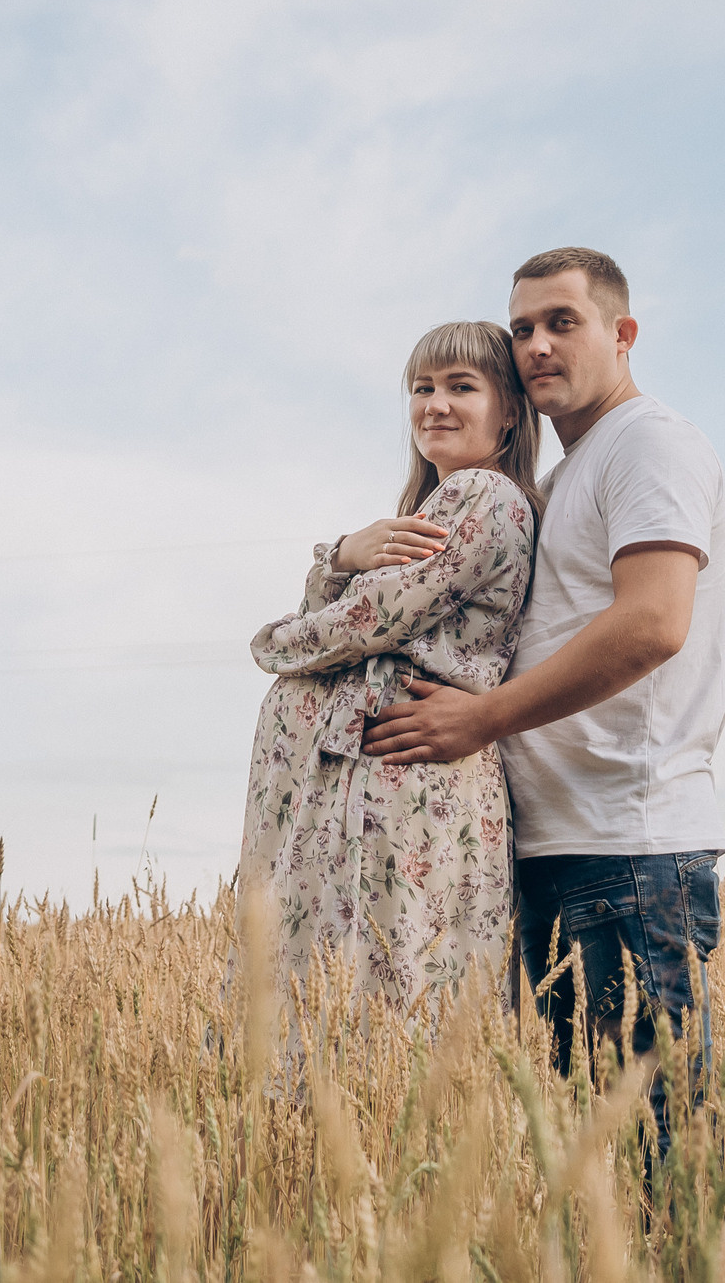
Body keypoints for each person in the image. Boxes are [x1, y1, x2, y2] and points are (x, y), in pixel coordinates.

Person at [366, 247, 725, 1146]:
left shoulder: (651, 442)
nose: (536, 344)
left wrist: (481, 718)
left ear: (623, 333)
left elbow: (654, 623)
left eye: (562, 322)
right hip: (559, 847)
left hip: (630, 851)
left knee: (660, 1143)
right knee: (595, 1146)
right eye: (523, 327)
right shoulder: (564, 477)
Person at [238, 321, 541, 1010]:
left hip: (405, 790)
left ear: (510, 412)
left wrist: (273, 642)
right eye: (421, 387)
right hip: (365, 789)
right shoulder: (425, 511)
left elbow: (364, 621)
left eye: (461, 387)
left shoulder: (484, 498)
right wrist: (343, 555)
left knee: (400, 982)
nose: (435, 403)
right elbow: (350, 608)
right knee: (355, 993)